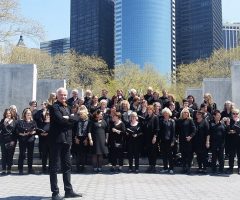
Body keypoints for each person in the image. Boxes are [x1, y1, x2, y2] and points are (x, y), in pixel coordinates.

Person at [49, 87, 82, 200]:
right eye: (61, 95)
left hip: (67, 141)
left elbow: (76, 118)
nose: (63, 97)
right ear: (57, 96)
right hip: (56, 141)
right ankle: (55, 193)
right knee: (54, 167)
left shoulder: (68, 107)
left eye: (64, 95)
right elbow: (59, 120)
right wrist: (69, 119)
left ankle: (68, 191)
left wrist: (68, 118)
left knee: (67, 166)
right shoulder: (54, 107)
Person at [16, 108, 37, 175]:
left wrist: (33, 132)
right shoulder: (20, 121)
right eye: (28, 114)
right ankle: (20, 169)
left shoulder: (33, 122)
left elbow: (36, 130)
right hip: (23, 139)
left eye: (30, 114)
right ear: (24, 114)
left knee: (30, 155)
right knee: (22, 154)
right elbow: (17, 131)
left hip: (31, 139)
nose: (29, 115)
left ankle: (30, 169)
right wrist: (22, 134)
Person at [176, 108, 196, 174]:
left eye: (186, 112)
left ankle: (189, 168)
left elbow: (194, 130)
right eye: (184, 112)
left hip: (189, 140)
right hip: (182, 140)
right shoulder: (179, 121)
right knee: (183, 154)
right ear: (182, 113)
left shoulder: (190, 120)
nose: (185, 113)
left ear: (188, 114)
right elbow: (177, 130)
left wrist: (190, 136)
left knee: (189, 155)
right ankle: (184, 167)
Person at [208, 110, 227, 174]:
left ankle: (221, 170)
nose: (219, 116)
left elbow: (225, 134)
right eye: (218, 115)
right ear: (214, 116)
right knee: (214, 157)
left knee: (221, 157)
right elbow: (209, 134)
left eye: (220, 115)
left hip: (221, 144)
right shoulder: (211, 124)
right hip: (213, 143)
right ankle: (214, 169)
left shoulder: (223, 125)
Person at [159, 108, 176, 174]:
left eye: (167, 113)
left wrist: (173, 141)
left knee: (170, 155)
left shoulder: (172, 121)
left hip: (170, 140)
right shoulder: (161, 121)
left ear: (169, 114)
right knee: (164, 155)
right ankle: (165, 168)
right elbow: (159, 131)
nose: (165, 114)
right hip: (163, 140)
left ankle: (171, 168)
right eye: (164, 113)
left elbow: (173, 132)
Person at [0, 109, 17, 175]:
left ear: (11, 114)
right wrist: (4, 123)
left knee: (10, 155)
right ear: (5, 114)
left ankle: (9, 169)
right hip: (3, 140)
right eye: (7, 113)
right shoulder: (2, 121)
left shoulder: (14, 121)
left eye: (9, 113)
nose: (8, 114)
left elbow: (15, 132)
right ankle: (4, 169)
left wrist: (13, 140)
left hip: (11, 140)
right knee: (4, 155)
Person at [143, 105, 159, 173]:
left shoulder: (155, 117)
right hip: (147, 138)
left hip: (153, 138)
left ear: (153, 110)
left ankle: (153, 166)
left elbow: (157, 128)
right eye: (148, 109)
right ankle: (150, 165)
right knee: (149, 152)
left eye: (150, 109)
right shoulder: (146, 117)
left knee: (153, 153)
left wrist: (155, 137)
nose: (149, 111)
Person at [225, 109, 240, 174]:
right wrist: (228, 125)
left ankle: (239, 169)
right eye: (234, 113)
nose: (235, 115)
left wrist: (235, 131)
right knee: (231, 156)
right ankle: (230, 168)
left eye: (236, 113)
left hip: (239, 141)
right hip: (231, 141)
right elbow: (228, 131)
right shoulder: (230, 121)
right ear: (232, 114)